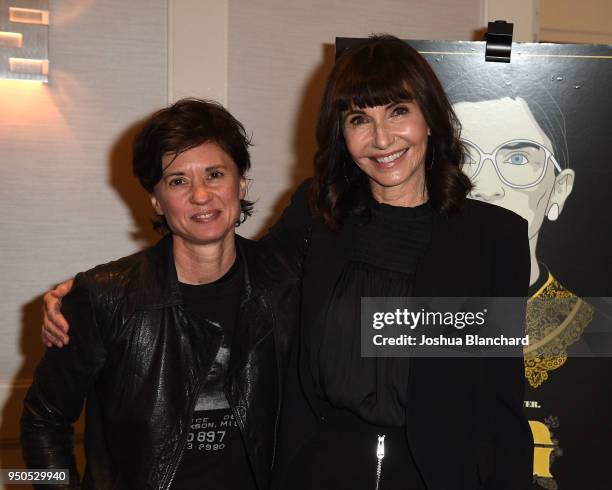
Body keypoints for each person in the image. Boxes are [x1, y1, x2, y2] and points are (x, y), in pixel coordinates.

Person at [41, 35, 532, 489]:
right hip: (321, 470)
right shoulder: (320, 213)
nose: (382, 139)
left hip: (437, 473)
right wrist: (86, 294)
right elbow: (237, 268)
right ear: (341, 133)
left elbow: (502, 399)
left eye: (398, 111)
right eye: (359, 119)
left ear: (430, 118)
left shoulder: (494, 239)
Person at [21, 98, 298, 489]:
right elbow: (42, 419)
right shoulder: (105, 297)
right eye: (178, 181)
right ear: (156, 200)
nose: (201, 196)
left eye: (215, 174)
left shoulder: (286, 284)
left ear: (241, 184)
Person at [445, 73, 611, 489]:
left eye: (517, 159)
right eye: (463, 157)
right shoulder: (397, 315)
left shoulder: (599, 334)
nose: (484, 186)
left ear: (559, 190)